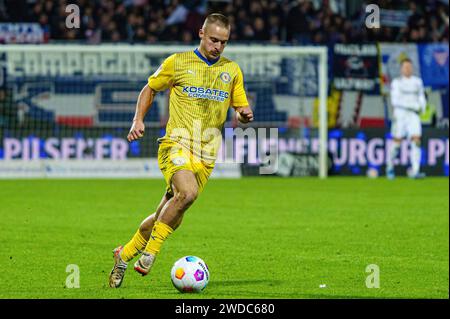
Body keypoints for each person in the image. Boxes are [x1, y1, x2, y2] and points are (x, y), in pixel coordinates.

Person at [109, 13, 254, 288]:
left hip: (207, 155)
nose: (218, 47)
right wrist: (137, 119)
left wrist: (244, 114)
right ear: (201, 33)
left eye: (224, 42)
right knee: (187, 193)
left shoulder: (232, 71)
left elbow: (240, 107)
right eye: (213, 40)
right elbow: (149, 89)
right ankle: (150, 254)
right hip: (176, 143)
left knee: (167, 217)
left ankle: (124, 254)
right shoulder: (178, 62)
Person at [386, 58, 426, 179]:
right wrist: (414, 105)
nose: (408, 69)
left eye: (409, 66)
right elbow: (395, 101)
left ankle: (415, 170)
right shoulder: (396, 83)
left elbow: (421, 96)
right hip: (400, 114)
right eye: (405, 67)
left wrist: (422, 107)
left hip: (413, 115)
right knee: (397, 142)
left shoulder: (417, 82)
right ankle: (390, 167)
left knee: (416, 140)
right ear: (401, 69)